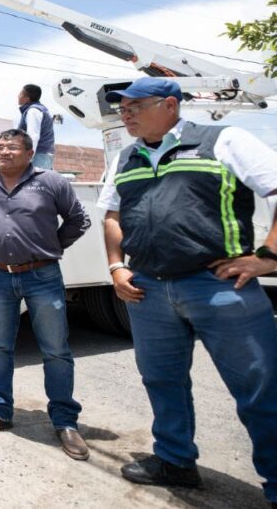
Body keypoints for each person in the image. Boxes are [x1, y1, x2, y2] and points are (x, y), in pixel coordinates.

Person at [98, 78, 277, 504]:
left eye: (135, 106)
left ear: (171, 105)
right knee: (162, 381)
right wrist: (116, 267)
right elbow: (111, 215)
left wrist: (269, 256)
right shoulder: (127, 157)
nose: (125, 114)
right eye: (122, 109)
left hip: (218, 286)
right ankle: (175, 461)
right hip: (148, 290)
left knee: (260, 389)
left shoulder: (223, 140)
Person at [0, 129, 91, 460]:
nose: (4, 151)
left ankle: (65, 421)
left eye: (12, 147)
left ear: (29, 153)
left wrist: (50, 245)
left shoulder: (52, 182)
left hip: (43, 275)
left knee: (56, 350)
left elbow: (78, 219)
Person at [18, 84, 55, 169]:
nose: (18, 96)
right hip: (43, 156)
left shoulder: (33, 111)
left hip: (38, 157)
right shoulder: (41, 109)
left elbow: (33, 136)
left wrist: (28, 158)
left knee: (36, 181)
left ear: (26, 99)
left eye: (20, 94)